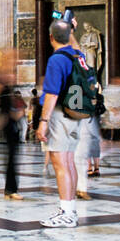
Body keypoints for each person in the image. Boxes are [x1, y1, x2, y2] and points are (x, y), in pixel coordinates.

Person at [37, 19, 88, 227]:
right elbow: (76, 46)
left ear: (51, 37)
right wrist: (72, 30)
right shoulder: (78, 56)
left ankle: (66, 213)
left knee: (60, 164)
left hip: (59, 114)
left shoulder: (56, 59)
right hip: (75, 115)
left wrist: (43, 121)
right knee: (68, 162)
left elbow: (51, 93)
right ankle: (70, 209)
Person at [0, 50, 23, 200]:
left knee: (13, 156)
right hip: (7, 122)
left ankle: (10, 189)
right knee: (11, 156)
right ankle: (10, 189)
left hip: (12, 121)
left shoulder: (7, 80)